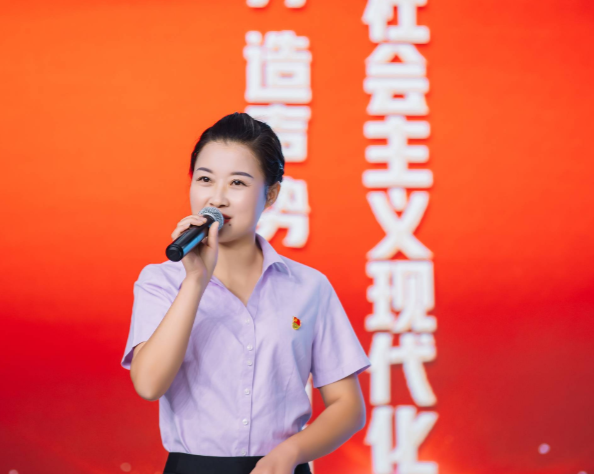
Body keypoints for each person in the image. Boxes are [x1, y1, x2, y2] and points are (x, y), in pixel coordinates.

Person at [121, 112, 372, 474]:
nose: (217, 199)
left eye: (237, 183)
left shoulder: (309, 286)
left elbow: (348, 406)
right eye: (205, 179)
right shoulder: (161, 281)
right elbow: (148, 384)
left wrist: (289, 454)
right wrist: (195, 280)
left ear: (271, 194)